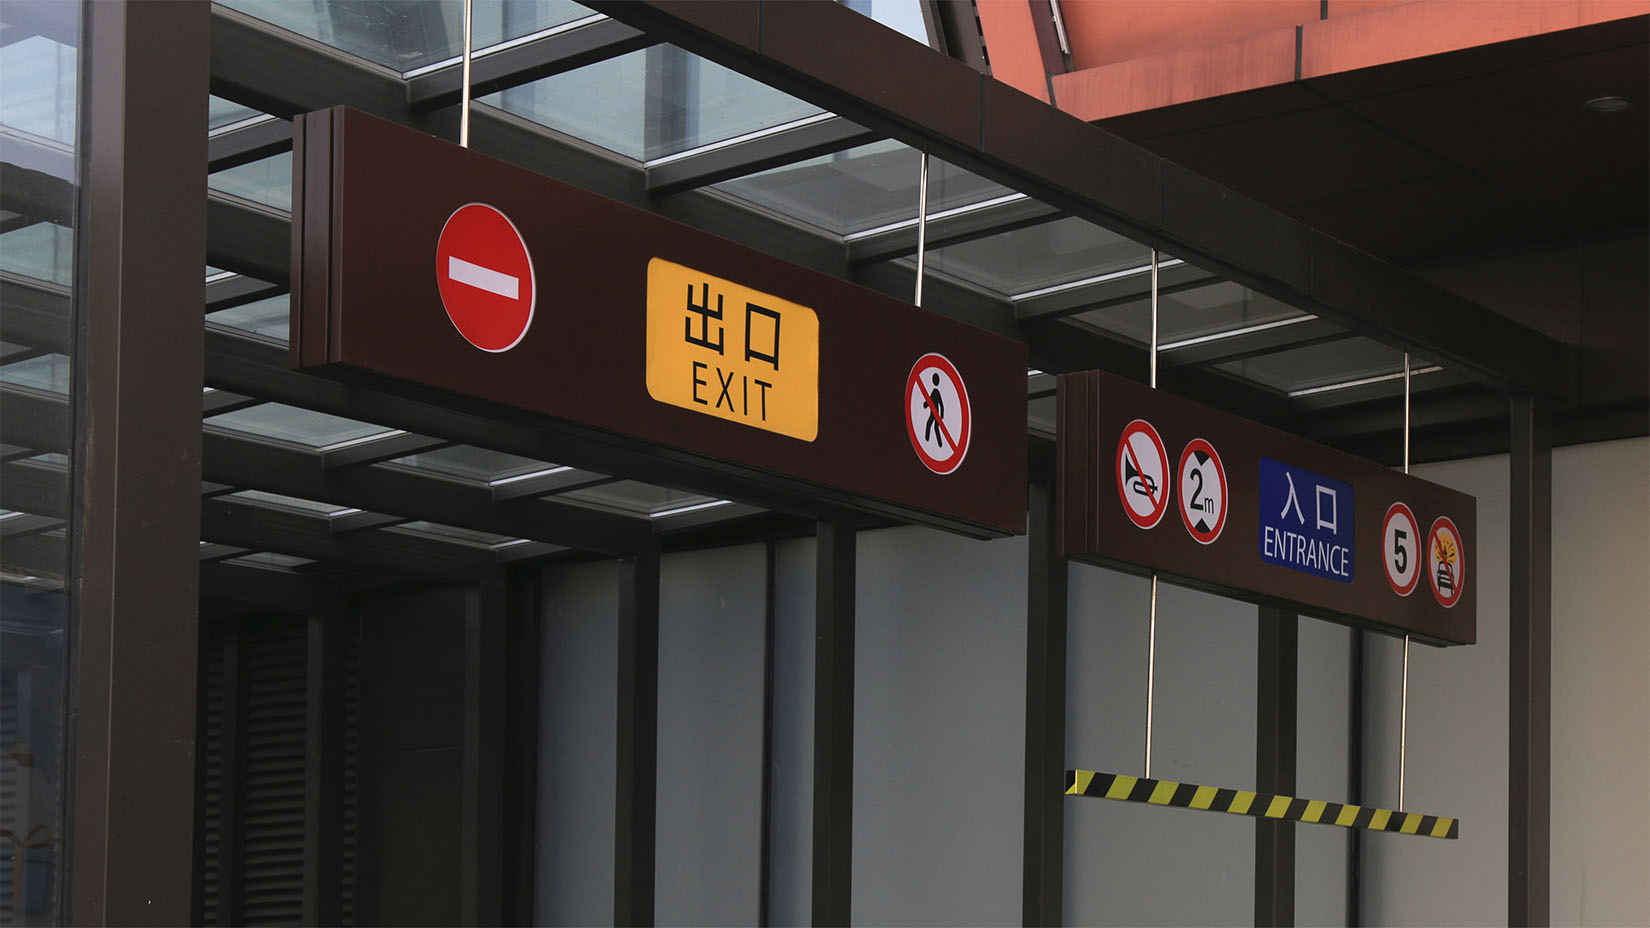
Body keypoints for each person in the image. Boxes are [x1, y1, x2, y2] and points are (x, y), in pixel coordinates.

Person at [923, 372, 946, 448]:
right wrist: (925, 405)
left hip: (935, 414)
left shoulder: (936, 392)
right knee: (930, 425)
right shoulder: (934, 392)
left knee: (934, 427)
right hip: (933, 414)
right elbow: (930, 401)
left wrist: (941, 415)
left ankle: (940, 444)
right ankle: (927, 440)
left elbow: (941, 404)